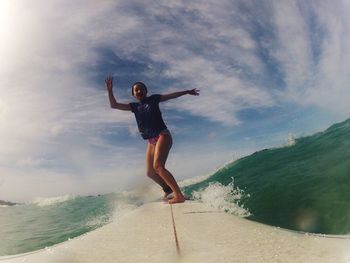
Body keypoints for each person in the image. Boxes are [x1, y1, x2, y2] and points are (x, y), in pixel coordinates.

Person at [105, 75, 200, 204]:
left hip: (162, 135)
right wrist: (110, 91)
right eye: (136, 90)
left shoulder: (154, 99)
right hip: (151, 141)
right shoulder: (134, 107)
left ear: (146, 91)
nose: (139, 91)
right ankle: (168, 190)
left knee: (158, 166)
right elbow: (114, 105)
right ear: (133, 94)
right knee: (150, 172)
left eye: (141, 89)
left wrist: (187, 91)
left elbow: (172, 95)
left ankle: (179, 195)